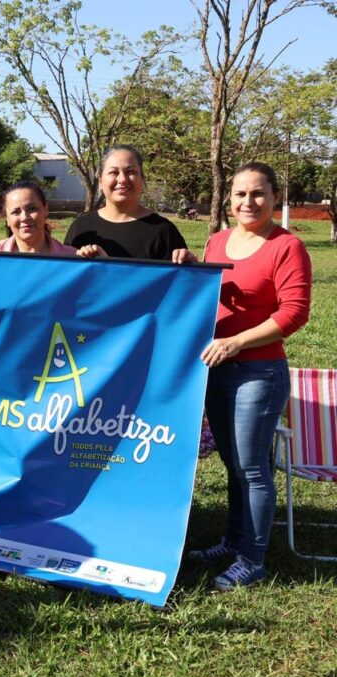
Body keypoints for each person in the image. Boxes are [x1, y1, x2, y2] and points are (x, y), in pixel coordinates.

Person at [178, 162, 311, 590]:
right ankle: (232, 541)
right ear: (229, 199)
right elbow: (208, 293)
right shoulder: (218, 240)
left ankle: (252, 559)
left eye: (258, 194)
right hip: (216, 368)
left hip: (258, 371)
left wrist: (238, 342)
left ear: (275, 198)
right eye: (240, 194)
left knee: (253, 469)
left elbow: (293, 312)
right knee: (232, 464)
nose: (248, 202)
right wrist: (191, 266)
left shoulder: (286, 247)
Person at [0, 181, 104, 402]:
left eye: (32, 208)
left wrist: (104, 267)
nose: (25, 217)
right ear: (7, 219)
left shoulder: (73, 260)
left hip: (56, 377)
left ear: (46, 210)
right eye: (16, 212)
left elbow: (102, 309)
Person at [65, 144, 187, 260]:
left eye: (130, 172)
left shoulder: (164, 232)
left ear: (142, 179)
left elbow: (177, 279)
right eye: (114, 172)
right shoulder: (81, 227)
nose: (122, 179)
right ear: (101, 181)